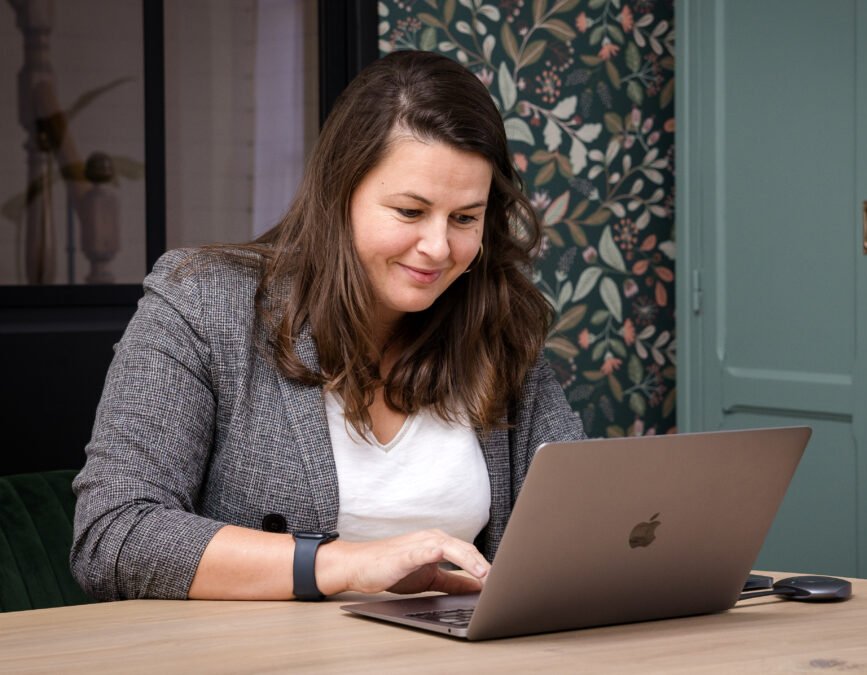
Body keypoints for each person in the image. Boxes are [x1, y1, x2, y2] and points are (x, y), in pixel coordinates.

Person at [71, 50, 585, 602]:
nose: (439, 248)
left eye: (465, 218)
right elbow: (113, 536)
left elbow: (582, 515)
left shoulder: (495, 324)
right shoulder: (201, 301)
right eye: (410, 212)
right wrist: (346, 565)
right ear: (341, 194)